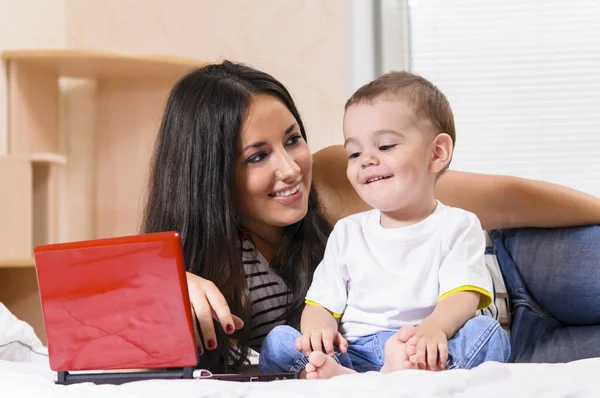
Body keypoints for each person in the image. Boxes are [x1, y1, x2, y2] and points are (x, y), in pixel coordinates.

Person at [141, 60, 600, 374]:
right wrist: (170, 283)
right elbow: (89, 312)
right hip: (495, 349)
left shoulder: (340, 179)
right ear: (209, 173)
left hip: (518, 271)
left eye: (292, 138)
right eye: (257, 156)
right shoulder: (205, 268)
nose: (290, 168)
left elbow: (504, 199)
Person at [258, 71, 510, 379]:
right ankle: (347, 376)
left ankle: (403, 374)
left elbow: (463, 296)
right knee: (279, 341)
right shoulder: (348, 232)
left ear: (437, 153)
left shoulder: (458, 225)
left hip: (423, 346)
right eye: (354, 152)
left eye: (386, 146)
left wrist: (432, 331)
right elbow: (321, 302)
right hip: (355, 350)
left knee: (487, 332)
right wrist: (319, 332)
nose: (366, 159)